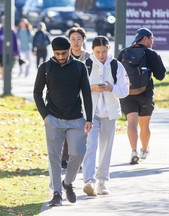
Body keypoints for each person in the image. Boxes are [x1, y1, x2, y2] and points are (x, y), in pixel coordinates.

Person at [33, 36, 93, 206]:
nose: (61, 57)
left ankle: (68, 183)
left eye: (64, 53)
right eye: (57, 54)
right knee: (54, 157)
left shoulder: (79, 67)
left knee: (78, 153)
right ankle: (57, 193)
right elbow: (37, 93)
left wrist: (88, 118)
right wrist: (45, 116)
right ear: (53, 52)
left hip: (76, 119)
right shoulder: (45, 67)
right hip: (53, 119)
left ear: (69, 51)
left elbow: (86, 93)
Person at [82, 36, 129, 197]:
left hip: (109, 113)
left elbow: (125, 90)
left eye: (104, 51)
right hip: (91, 113)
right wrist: (91, 88)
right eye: (97, 52)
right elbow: (77, 89)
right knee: (90, 145)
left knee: (106, 148)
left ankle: (102, 182)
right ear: (92, 51)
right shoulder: (86, 65)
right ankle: (89, 181)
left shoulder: (117, 65)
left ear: (108, 49)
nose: (101, 55)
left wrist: (111, 88)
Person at [117, 28, 166, 164]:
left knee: (131, 123)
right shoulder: (151, 54)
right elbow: (161, 76)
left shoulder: (124, 53)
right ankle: (144, 149)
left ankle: (133, 150)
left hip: (127, 93)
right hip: (145, 93)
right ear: (145, 39)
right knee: (144, 125)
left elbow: (116, 72)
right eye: (151, 39)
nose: (152, 41)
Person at [60, 26, 91, 169]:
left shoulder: (89, 58)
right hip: (68, 98)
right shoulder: (64, 57)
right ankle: (64, 157)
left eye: (79, 39)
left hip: (86, 97)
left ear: (83, 40)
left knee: (82, 130)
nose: (76, 42)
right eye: (73, 39)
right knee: (66, 129)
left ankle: (80, 159)